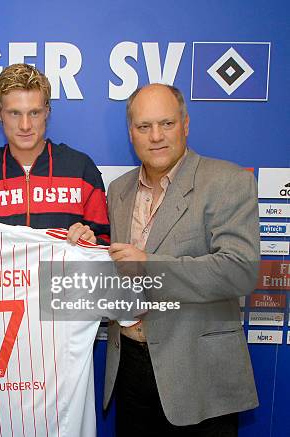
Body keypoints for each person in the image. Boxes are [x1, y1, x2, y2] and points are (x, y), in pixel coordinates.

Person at [104, 84, 259, 436]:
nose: (156, 136)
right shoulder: (119, 190)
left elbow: (240, 270)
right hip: (129, 366)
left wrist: (150, 264)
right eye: (144, 127)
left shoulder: (227, 181)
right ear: (131, 134)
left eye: (166, 124)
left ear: (185, 125)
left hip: (198, 374)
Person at [0, 63, 109, 251]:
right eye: (15, 113)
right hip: (1, 281)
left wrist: (92, 240)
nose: (25, 125)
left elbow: (105, 244)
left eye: (34, 113)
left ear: (47, 111)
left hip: (58, 280)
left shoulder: (81, 169)